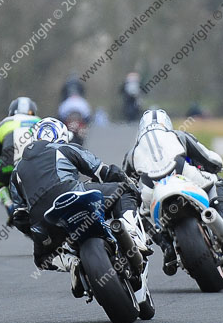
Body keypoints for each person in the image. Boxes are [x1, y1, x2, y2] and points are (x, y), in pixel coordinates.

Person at [9, 118, 148, 280]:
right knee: (124, 191)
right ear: (62, 135)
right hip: (71, 194)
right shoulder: (65, 148)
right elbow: (104, 172)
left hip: (43, 218)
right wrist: (129, 183)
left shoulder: (16, 171)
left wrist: (39, 234)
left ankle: (70, 262)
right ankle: (131, 233)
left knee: (42, 260)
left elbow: (19, 217)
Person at [123, 109, 223, 274]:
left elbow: (126, 184)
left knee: (139, 213)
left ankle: (166, 246)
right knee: (217, 182)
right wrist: (215, 167)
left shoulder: (132, 153)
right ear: (166, 123)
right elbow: (208, 158)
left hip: (152, 190)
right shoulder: (178, 135)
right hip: (182, 175)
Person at [0, 97, 40, 225]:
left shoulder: (2, 125)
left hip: (9, 168)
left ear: (12, 111)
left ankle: (9, 205)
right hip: (37, 168)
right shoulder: (41, 122)